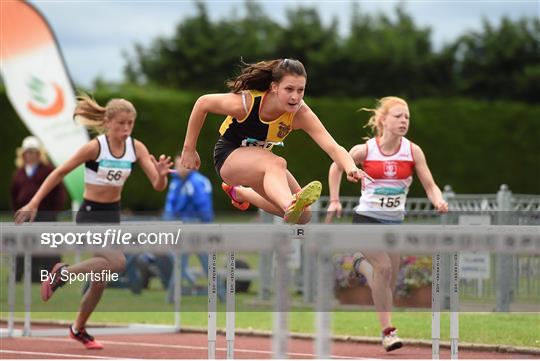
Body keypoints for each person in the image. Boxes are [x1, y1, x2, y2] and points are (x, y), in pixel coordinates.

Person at [14, 94, 172, 350]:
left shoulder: (136, 148)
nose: (126, 129)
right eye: (121, 123)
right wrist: (33, 203)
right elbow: (59, 172)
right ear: (108, 122)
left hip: (112, 216)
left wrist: (163, 175)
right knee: (118, 261)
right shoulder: (95, 147)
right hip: (89, 214)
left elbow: (157, 184)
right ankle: (62, 273)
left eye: (130, 123)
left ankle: (78, 329)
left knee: (100, 281)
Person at [179, 58, 372, 224]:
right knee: (276, 163)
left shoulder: (301, 113)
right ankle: (289, 204)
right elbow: (203, 103)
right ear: (274, 87)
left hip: (260, 164)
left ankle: (241, 194)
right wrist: (189, 149)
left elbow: (332, 146)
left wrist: (350, 167)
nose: (295, 97)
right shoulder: (247, 103)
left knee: (304, 216)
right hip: (229, 157)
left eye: (300, 90)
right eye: (289, 89)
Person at [325, 96, 448, 352]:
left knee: (387, 282)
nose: (404, 121)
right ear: (383, 120)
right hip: (366, 220)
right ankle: (388, 333)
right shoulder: (366, 150)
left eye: (407, 117)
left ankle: (360, 265)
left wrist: (438, 200)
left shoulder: (412, 151)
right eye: (398, 116)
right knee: (383, 268)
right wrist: (334, 200)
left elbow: (430, 184)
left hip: (394, 223)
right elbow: (336, 166)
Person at [11, 136, 67, 282]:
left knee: (48, 249)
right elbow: (14, 195)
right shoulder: (19, 173)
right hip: (25, 217)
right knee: (22, 248)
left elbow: (59, 194)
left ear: (39, 153)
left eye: (33, 152)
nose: (30, 155)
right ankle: (22, 276)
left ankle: (54, 278)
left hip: (45, 215)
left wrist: (52, 213)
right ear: (23, 154)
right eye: (27, 152)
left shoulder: (48, 170)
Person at [161, 155, 213, 294]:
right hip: (179, 227)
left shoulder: (196, 182)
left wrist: (203, 228)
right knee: (175, 258)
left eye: (182, 165)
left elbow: (203, 208)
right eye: (177, 165)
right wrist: (167, 223)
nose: (178, 168)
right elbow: (170, 206)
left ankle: (215, 290)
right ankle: (189, 284)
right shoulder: (177, 182)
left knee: (194, 260)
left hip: (195, 229)